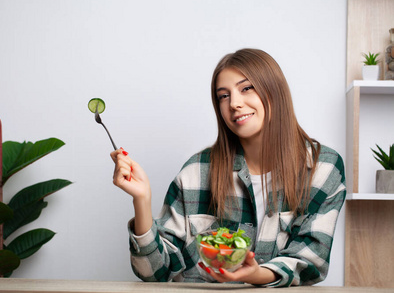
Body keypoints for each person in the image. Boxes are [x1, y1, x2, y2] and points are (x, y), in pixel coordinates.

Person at [110, 48, 346, 287]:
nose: (234, 103)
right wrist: (141, 200)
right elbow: (155, 273)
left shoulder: (322, 168)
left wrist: (256, 274)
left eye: (246, 88)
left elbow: (311, 260)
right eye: (223, 96)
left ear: (275, 91)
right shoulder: (196, 171)